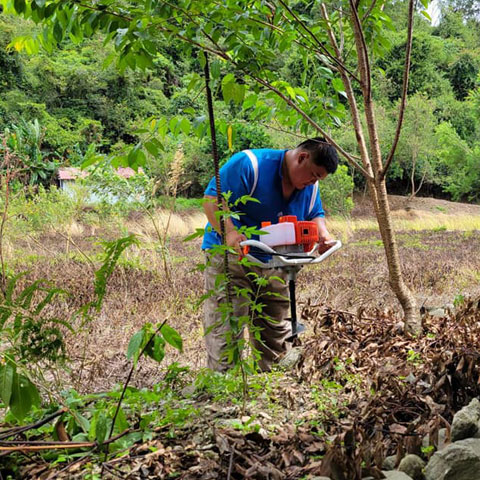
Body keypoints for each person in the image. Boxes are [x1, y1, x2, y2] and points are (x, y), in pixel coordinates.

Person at [201, 137, 339, 372]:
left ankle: (272, 387)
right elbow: (213, 199)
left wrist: (323, 235)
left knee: (275, 332)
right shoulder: (250, 164)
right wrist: (231, 234)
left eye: (318, 179)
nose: (312, 182)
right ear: (302, 157)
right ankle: (224, 391)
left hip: (276, 261)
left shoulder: (310, 186)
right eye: (313, 174)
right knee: (226, 328)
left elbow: (315, 212)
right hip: (233, 258)